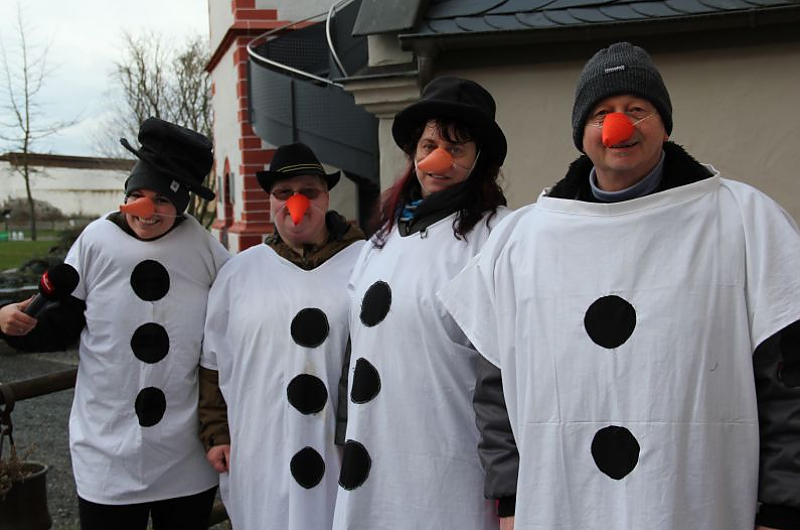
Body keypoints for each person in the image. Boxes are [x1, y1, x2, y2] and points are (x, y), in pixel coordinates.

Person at [439, 42, 800, 530]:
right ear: (582, 133)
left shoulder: (744, 221)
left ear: (665, 124)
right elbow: (494, 388)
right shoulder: (521, 239)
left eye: (637, 110)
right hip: (562, 507)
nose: (619, 126)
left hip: (699, 504)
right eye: (602, 113)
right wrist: (509, 499)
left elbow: (786, 382)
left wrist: (782, 507)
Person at [0, 117, 230, 529]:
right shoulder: (95, 241)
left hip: (183, 457)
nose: (147, 210)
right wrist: (12, 325)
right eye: (137, 195)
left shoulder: (204, 250)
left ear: (181, 204)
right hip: (107, 453)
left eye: (161, 200)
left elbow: (237, 322)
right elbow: (61, 324)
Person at [331, 76, 510, 530]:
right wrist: (343, 431)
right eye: (429, 144)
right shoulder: (379, 242)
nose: (439, 160)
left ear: (479, 161)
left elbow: (502, 376)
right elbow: (358, 349)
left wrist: (509, 489)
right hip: (375, 466)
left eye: (458, 148)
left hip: (451, 473)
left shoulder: (497, 239)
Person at [199, 142, 365, 530]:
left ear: (326, 197)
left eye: (309, 192)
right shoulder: (238, 274)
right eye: (283, 193)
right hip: (262, 449)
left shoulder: (366, 264)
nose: (296, 202)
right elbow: (212, 365)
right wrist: (216, 433)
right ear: (270, 200)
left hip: (341, 450)